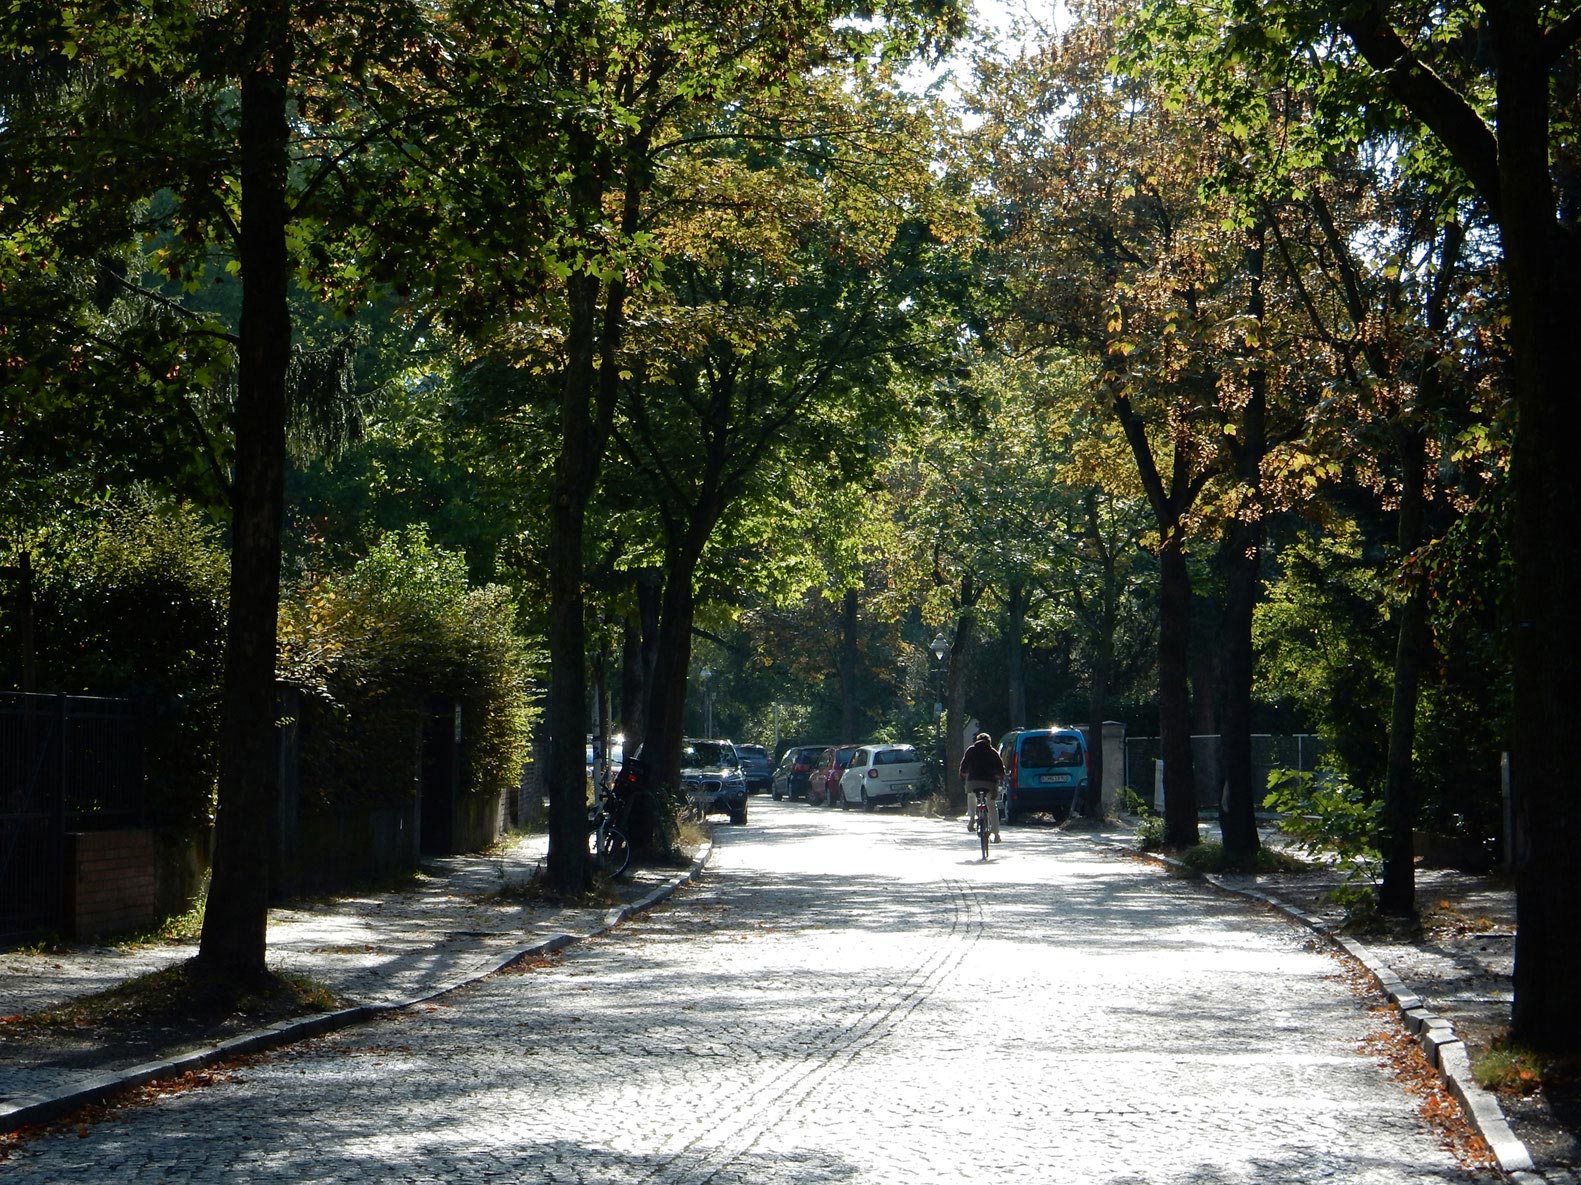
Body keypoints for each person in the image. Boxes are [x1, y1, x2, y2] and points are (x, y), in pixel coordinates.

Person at [959, 731, 1004, 842]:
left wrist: (963, 775)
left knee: (971, 795)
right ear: (989, 742)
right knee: (991, 805)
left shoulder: (971, 750)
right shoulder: (993, 752)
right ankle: (996, 835)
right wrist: (999, 776)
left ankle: (971, 819)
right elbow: (1001, 769)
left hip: (973, 782)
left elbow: (963, 767)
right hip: (989, 783)